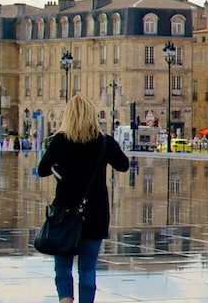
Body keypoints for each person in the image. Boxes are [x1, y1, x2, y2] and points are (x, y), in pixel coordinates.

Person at [36, 96, 132, 303]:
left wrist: (61, 168)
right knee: (88, 269)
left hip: (65, 212)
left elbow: (42, 170)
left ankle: (65, 300)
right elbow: (124, 165)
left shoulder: (60, 141)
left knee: (62, 266)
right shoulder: (104, 142)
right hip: (95, 212)